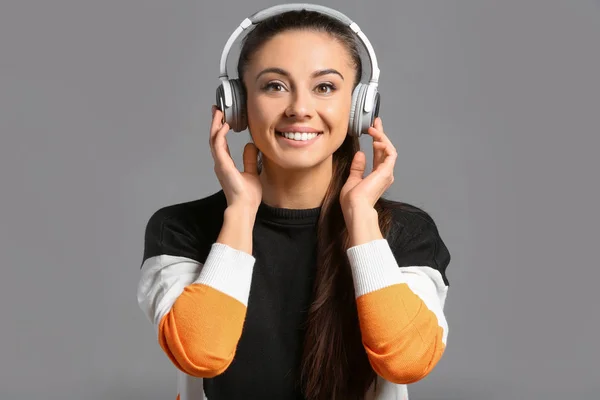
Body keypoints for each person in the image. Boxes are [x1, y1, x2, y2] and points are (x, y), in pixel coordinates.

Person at [137, 5, 451, 400]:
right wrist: (239, 214)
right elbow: (201, 354)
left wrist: (362, 223)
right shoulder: (181, 228)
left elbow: (406, 361)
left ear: (359, 107)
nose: (300, 108)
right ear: (237, 104)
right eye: (274, 86)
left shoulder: (405, 233)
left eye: (324, 87)